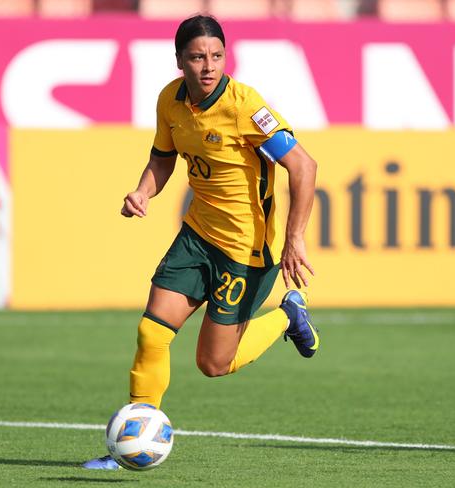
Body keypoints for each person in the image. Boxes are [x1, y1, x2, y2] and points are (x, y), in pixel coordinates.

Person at [84, 14, 319, 470]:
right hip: (197, 236)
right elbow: (162, 158)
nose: (208, 66)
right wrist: (142, 192)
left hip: (247, 251)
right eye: (197, 57)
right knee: (151, 332)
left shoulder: (244, 106)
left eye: (216, 56)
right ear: (179, 62)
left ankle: (287, 315)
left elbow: (304, 166)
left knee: (213, 364)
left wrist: (294, 238)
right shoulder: (170, 102)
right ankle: (130, 445)